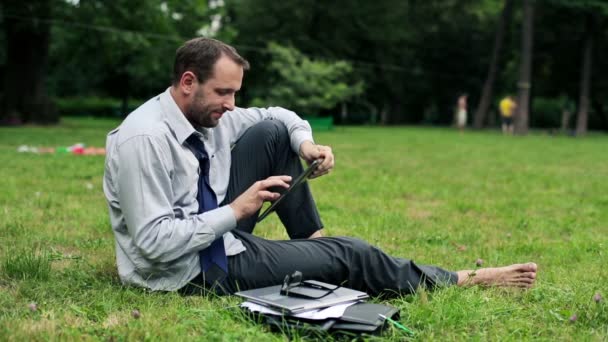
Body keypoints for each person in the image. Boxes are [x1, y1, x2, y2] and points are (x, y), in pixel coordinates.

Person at [103, 38, 537, 298]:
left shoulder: (207, 113)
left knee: (272, 130)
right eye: (224, 93)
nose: (231, 105)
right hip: (188, 270)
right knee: (351, 252)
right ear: (187, 82)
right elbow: (153, 246)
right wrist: (236, 211)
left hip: (208, 228)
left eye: (236, 93)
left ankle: (313, 247)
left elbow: (281, 115)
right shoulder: (145, 138)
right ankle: (464, 279)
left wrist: (306, 144)